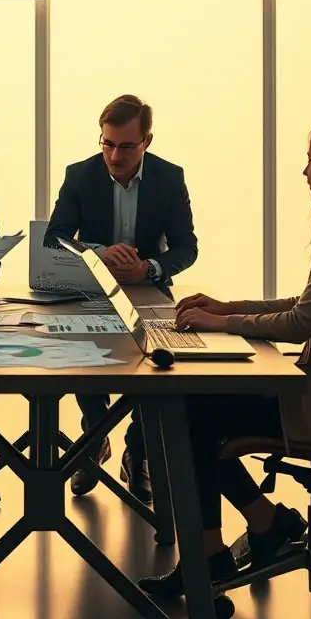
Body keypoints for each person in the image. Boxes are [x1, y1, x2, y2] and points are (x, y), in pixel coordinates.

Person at [139, 117, 311, 598]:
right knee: (196, 407)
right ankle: (266, 523)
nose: (305, 171)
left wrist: (219, 324)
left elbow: (299, 324)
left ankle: (213, 553)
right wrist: (228, 307)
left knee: (187, 409)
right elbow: (306, 304)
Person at [45, 94, 198, 502]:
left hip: (147, 289)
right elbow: (54, 238)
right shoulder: (80, 175)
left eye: (126, 146)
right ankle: (94, 438)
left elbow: (187, 247)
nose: (114, 155)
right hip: (93, 289)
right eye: (107, 143)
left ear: (147, 141)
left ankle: (138, 451)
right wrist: (96, 251)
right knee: (82, 356)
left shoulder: (169, 177)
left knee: (155, 370)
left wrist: (149, 268)